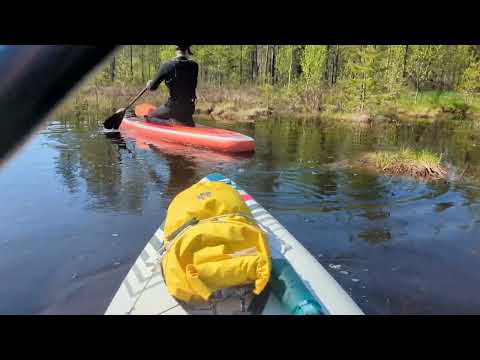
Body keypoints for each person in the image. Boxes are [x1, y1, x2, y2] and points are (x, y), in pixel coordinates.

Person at [127, 45, 199, 127]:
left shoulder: (167, 66)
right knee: (186, 120)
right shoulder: (195, 66)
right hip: (189, 109)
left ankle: (171, 124)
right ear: (187, 51)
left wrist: (149, 84)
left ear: (176, 51)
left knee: (149, 117)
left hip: (173, 108)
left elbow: (152, 87)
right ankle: (185, 123)